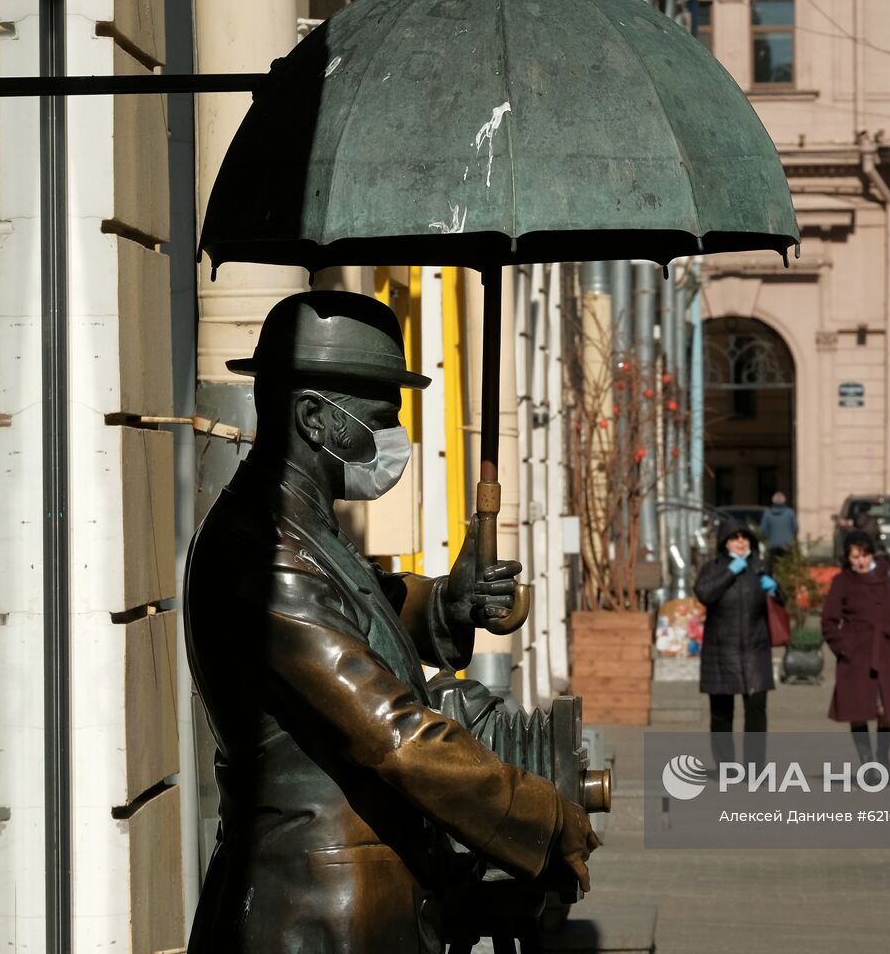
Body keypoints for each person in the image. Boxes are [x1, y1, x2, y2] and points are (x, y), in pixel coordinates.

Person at [184, 293, 597, 954]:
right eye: (380, 416)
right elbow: (395, 736)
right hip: (317, 915)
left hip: (365, 904)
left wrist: (442, 603)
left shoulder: (305, 529)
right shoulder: (263, 555)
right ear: (316, 418)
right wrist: (539, 816)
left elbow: (359, 606)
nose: (394, 437)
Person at [821, 530, 890, 767]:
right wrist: (844, 648)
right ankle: (866, 761)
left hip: (886, 650)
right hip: (856, 653)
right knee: (858, 708)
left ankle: (883, 755)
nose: (860, 562)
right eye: (854, 557)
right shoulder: (842, 581)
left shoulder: (888, 576)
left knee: (887, 709)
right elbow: (829, 620)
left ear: (872, 554)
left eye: (864, 555)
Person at [695, 519, 780, 770]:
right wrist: (732, 570)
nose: (741, 542)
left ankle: (755, 768)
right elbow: (705, 593)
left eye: (745, 537)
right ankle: (726, 766)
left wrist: (775, 590)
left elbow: (779, 604)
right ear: (725, 542)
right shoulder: (714, 568)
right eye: (735, 538)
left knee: (756, 710)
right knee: (721, 713)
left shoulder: (760, 567)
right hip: (721, 650)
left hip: (755, 650)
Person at [759, 491, 799, 563]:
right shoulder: (790, 513)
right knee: (787, 567)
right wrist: (791, 538)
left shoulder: (767, 513)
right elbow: (795, 528)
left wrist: (769, 537)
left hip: (773, 545)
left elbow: (763, 530)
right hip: (787, 545)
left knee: (774, 567)